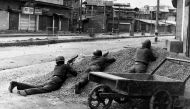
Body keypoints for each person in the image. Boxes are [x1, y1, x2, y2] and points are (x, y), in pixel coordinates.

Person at [8, 56, 78, 96]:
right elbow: (75, 73)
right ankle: (25, 92)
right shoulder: (66, 66)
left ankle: (17, 84)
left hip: (52, 79)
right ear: (63, 61)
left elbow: (62, 71)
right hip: (56, 81)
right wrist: (69, 66)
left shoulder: (56, 67)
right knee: (43, 89)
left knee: (37, 86)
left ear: (57, 62)